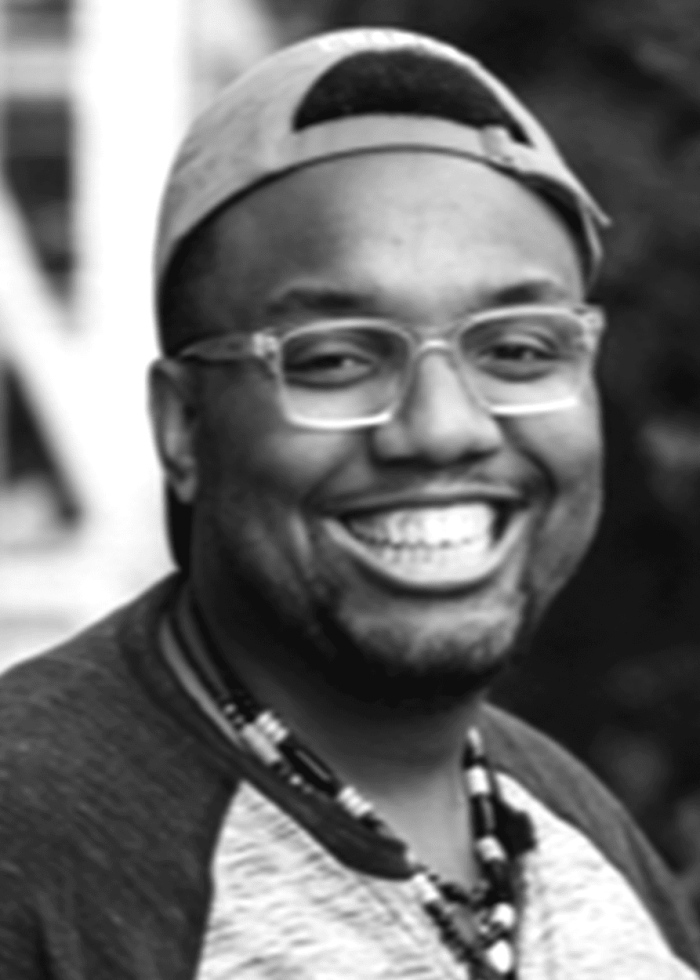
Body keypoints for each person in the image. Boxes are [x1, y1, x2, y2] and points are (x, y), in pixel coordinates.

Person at [0, 26, 697, 980]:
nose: (445, 428)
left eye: (520, 351)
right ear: (184, 427)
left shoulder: (564, 814)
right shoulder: (32, 842)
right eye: (334, 359)